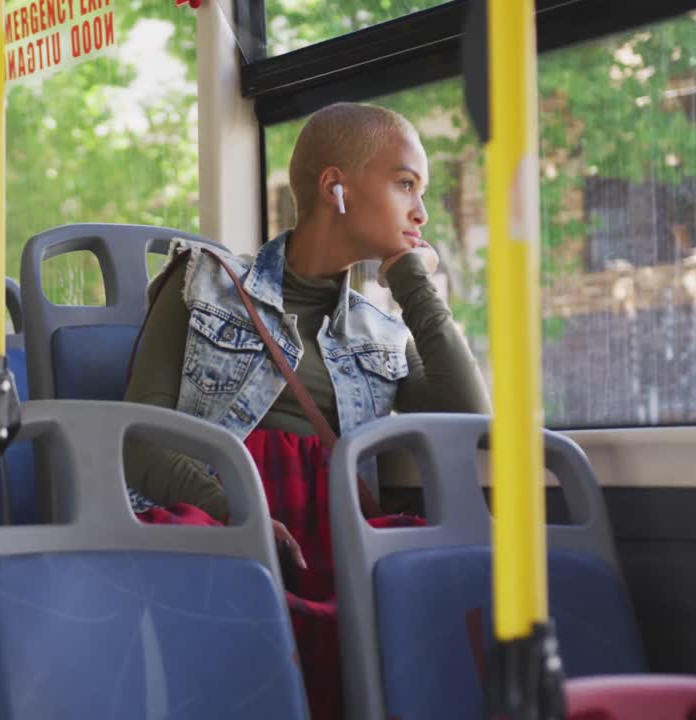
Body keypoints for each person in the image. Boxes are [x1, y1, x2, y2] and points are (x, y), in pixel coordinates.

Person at [123, 101, 491, 719]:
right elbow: (139, 441)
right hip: (219, 508)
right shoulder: (202, 283)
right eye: (405, 184)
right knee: (208, 564)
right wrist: (238, 511)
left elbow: (470, 423)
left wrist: (413, 285)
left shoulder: (382, 333)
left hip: (334, 528)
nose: (421, 212)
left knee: (457, 566)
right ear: (335, 187)